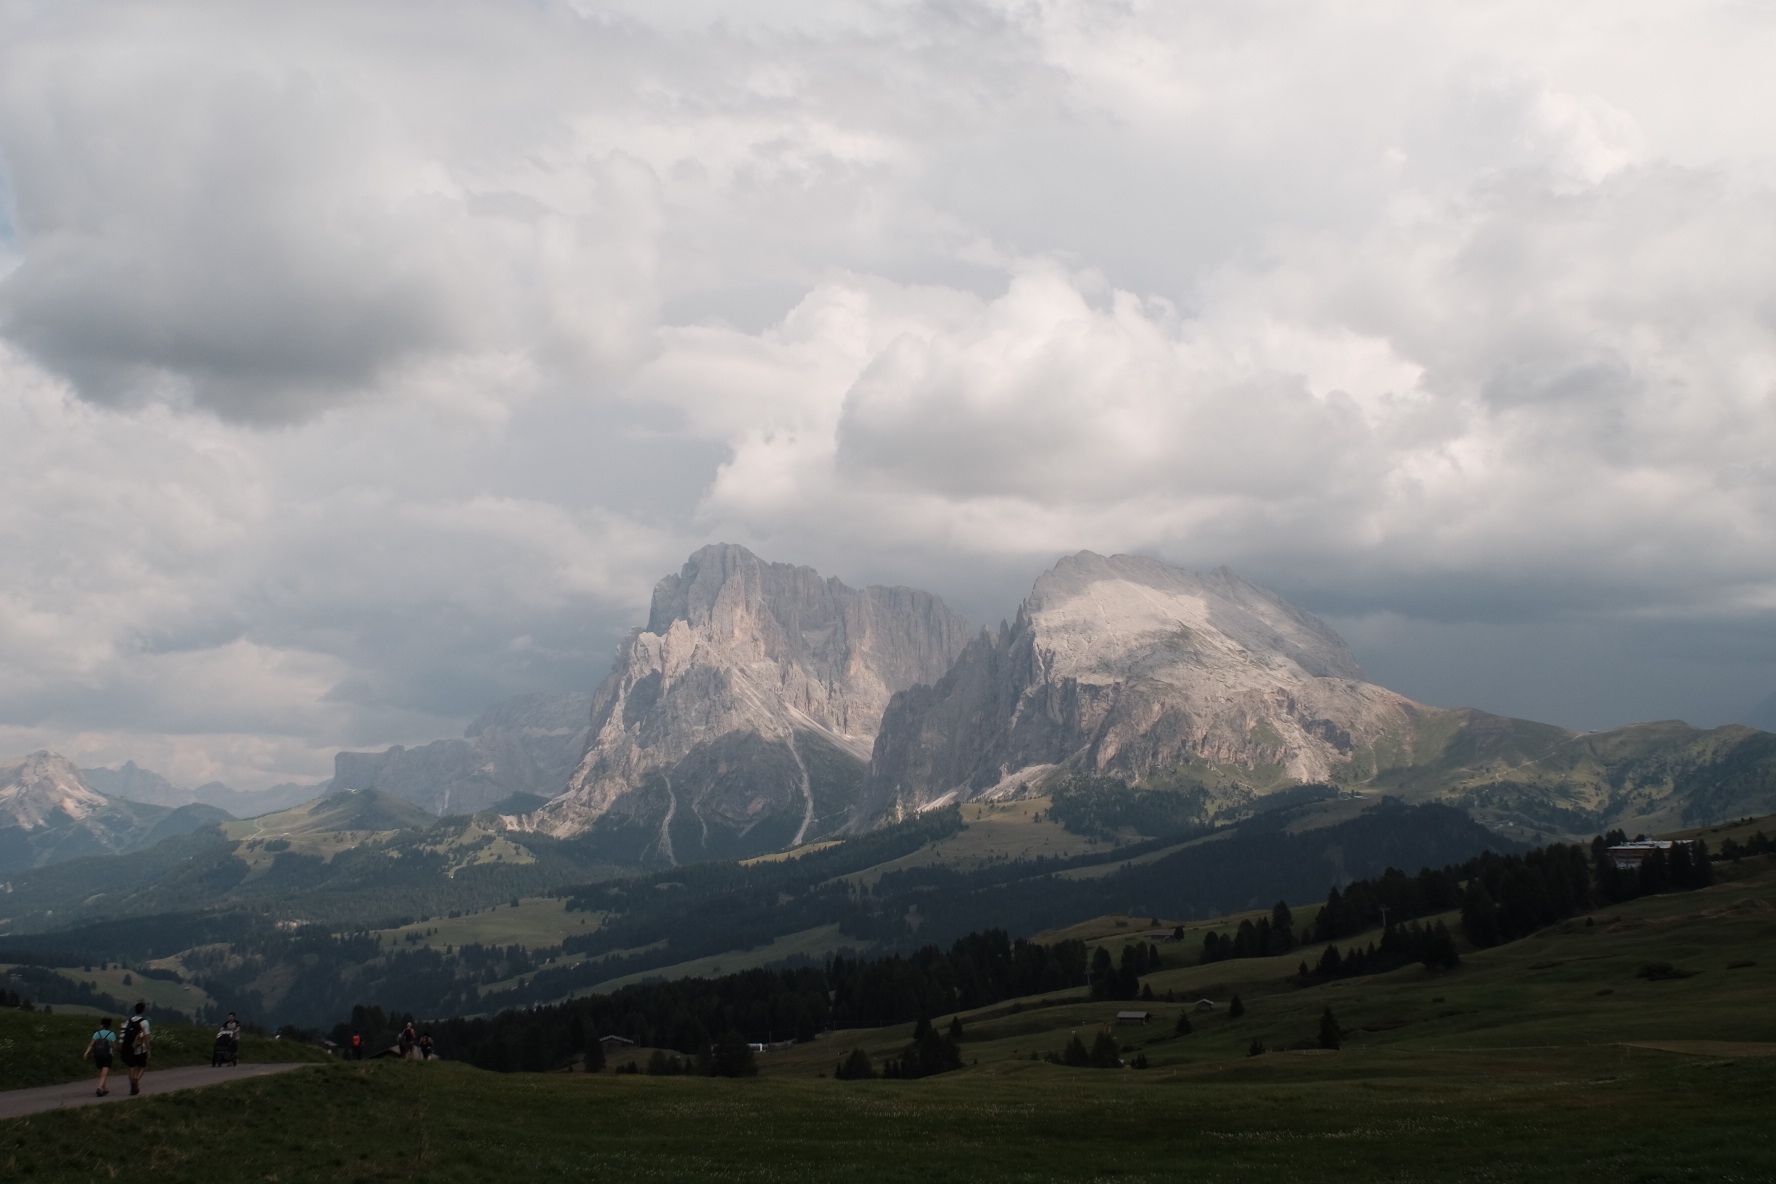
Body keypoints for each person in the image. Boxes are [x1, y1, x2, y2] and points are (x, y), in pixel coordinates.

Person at [119, 1002, 152, 1096]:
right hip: (141, 1049)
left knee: (131, 1067)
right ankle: (136, 1080)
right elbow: (147, 1037)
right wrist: (149, 1049)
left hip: (130, 1048)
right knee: (142, 1066)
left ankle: (132, 1086)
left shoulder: (129, 1021)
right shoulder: (144, 1022)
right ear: (143, 1010)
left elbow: (123, 1034)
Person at [83, 1018, 117, 1096]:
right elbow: (114, 1046)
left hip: (98, 1055)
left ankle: (104, 1088)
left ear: (102, 1025)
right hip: (108, 1055)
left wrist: (86, 1053)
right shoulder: (111, 1034)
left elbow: (91, 1044)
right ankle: (99, 1088)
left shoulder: (97, 1034)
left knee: (101, 1072)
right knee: (104, 1073)